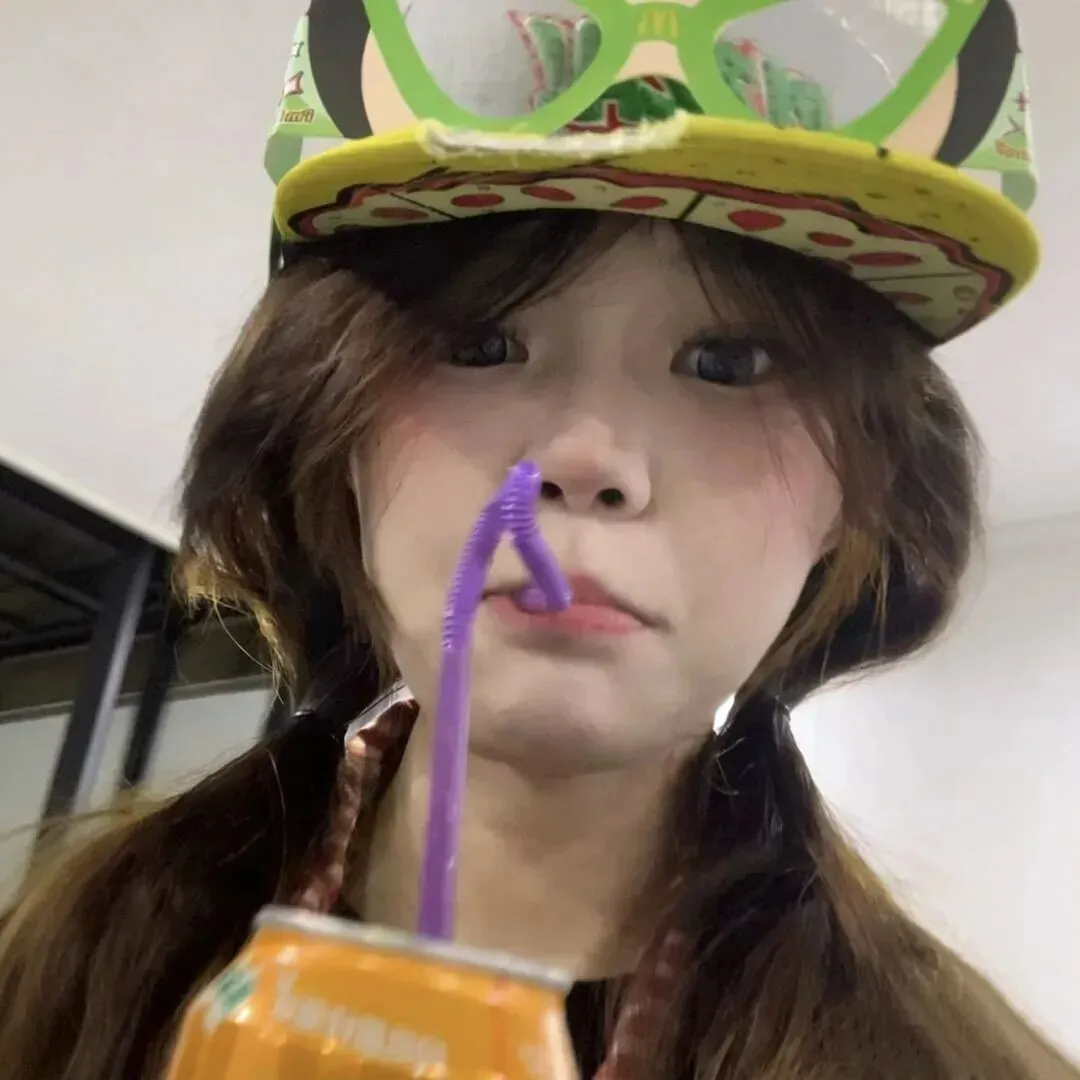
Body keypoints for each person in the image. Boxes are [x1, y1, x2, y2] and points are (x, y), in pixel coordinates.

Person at [0, 1, 1073, 1078]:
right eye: (482, 343)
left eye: (730, 363)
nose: (588, 456)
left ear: (856, 492)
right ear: (338, 439)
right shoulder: (64, 975)